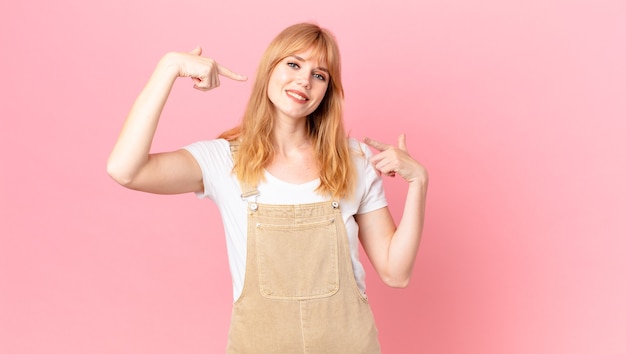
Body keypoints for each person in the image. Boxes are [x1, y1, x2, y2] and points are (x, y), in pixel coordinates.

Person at [107, 22, 428, 353]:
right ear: (269, 69)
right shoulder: (224, 160)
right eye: (293, 64)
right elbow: (125, 170)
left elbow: (396, 272)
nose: (304, 80)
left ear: (327, 92)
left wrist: (418, 183)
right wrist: (168, 68)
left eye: (320, 75)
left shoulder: (353, 160)